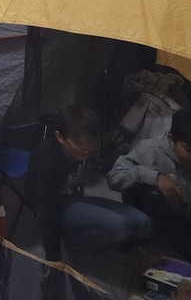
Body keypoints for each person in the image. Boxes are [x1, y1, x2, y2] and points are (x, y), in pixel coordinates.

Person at [25, 104, 151, 263]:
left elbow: (105, 168)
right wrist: (53, 258)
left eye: (91, 141)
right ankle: (77, 248)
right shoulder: (48, 162)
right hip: (54, 208)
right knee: (119, 226)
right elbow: (46, 211)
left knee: (142, 222)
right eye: (78, 143)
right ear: (60, 137)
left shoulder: (85, 150)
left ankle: (101, 240)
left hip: (75, 200)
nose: (86, 149)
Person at [107, 109, 191, 263]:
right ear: (171, 139)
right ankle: (136, 241)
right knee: (148, 190)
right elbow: (114, 177)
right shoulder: (150, 150)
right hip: (161, 214)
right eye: (189, 150)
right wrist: (154, 177)